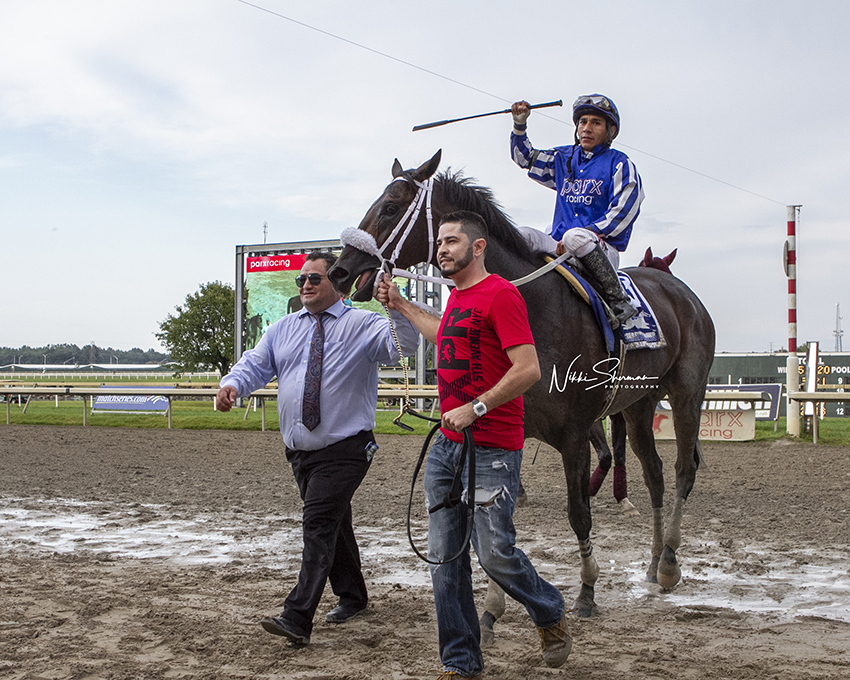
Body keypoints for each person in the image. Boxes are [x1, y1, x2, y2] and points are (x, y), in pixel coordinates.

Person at [377, 211, 570, 679]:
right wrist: (401, 305)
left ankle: (548, 610)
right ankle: (460, 663)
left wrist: (476, 408)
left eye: (453, 241)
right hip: (447, 449)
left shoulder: (501, 294)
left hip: (493, 449)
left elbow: (528, 369)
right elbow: (443, 334)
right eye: (440, 242)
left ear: (478, 247)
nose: (442, 249)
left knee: (495, 554)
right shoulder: (459, 299)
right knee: (445, 561)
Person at [216, 251, 418, 646]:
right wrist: (233, 385)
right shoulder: (282, 329)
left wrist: (395, 307)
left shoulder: (364, 324)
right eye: (301, 280)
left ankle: (297, 616)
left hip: (347, 448)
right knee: (334, 523)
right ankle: (354, 597)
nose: (305, 285)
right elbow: (255, 364)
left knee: (318, 524)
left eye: (314, 279)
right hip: (300, 452)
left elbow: (402, 346)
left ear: (337, 284)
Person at [510, 93, 645, 326]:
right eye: (583, 122)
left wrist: (589, 232)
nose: (587, 128)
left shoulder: (620, 163)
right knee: (523, 234)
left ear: (610, 131)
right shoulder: (564, 158)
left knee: (576, 236)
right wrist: (519, 125)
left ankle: (617, 300)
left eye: (596, 123)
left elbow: (624, 211)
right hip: (560, 245)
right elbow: (525, 159)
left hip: (599, 248)